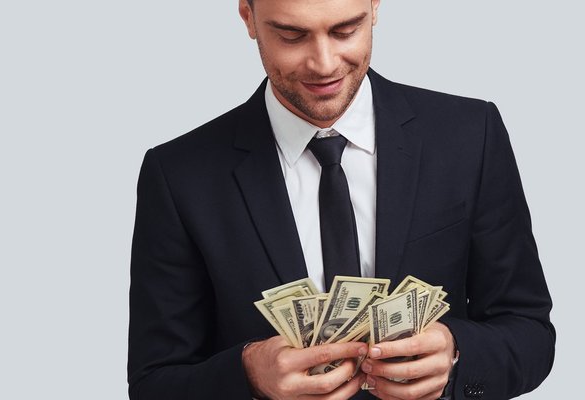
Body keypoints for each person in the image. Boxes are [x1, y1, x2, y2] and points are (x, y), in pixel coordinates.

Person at [127, 0, 555, 399]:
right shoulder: (178, 174)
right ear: (248, 17)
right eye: (292, 36)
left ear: (374, 7)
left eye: (346, 30)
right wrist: (250, 374)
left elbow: (530, 331)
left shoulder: (470, 136)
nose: (324, 64)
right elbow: (154, 380)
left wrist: (458, 354)